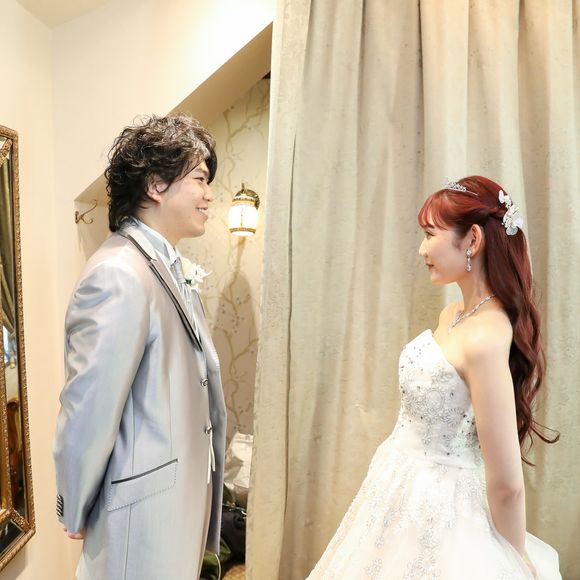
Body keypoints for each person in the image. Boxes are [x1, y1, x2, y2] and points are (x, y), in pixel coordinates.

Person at [306, 176, 561, 579]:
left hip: (443, 503)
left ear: (472, 239)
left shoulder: (485, 337)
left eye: (430, 235)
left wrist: (514, 560)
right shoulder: (454, 314)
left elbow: (507, 482)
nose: (422, 249)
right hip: (399, 484)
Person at [53, 114, 227, 579]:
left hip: (172, 505)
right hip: (141, 517)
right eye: (200, 179)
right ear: (155, 185)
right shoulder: (118, 273)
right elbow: (88, 404)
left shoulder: (163, 265)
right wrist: (74, 500)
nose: (209, 194)